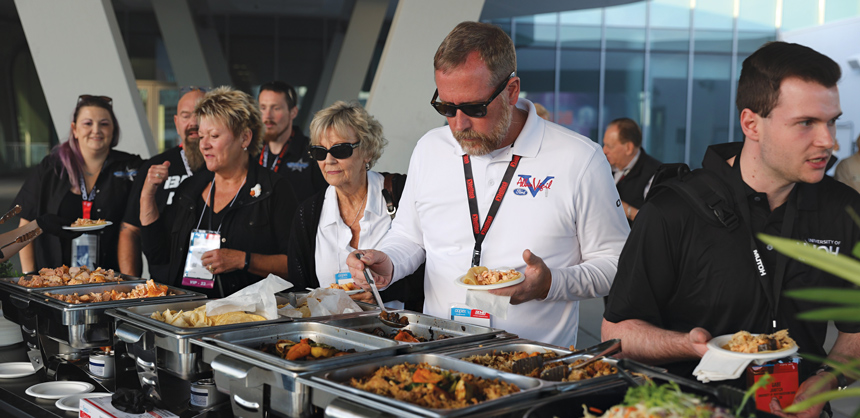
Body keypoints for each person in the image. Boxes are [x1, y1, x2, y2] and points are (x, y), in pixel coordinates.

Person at [602, 41, 860, 418]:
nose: (830, 141)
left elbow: (855, 330)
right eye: (806, 123)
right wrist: (688, 345)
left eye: (831, 120)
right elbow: (616, 332)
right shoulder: (672, 211)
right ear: (751, 123)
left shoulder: (844, 210)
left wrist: (827, 380)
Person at [346, 21, 628, 346]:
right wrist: (389, 260)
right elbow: (410, 235)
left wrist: (552, 283)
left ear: (511, 91)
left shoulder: (580, 158)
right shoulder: (430, 148)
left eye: (474, 108)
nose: (459, 124)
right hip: (437, 355)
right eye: (446, 107)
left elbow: (617, 262)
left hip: (533, 366)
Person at [140, 86, 298, 297]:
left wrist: (243, 260)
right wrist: (147, 196)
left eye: (214, 136)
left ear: (244, 138)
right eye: (201, 135)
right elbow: (159, 256)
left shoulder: (274, 189)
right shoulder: (190, 189)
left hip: (249, 320)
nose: (203, 145)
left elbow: (296, 264)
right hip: (193, 316)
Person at [287, 101, 423, 310]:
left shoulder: (401, 192)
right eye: (320, 152)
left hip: (399, 332)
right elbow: (300, 290)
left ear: (367, 151)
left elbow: (434, 267)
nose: (329, 160)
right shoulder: (308, 213)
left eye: (340, 150)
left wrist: (382, 292)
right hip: (331, 335)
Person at [13, 95, 142, 273]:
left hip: (111, 281)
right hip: (55, 281)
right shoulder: (51, 168)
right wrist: (30, 276)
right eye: (87, 123)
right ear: (74, 129)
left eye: (104, 124)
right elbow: (26, 224)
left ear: (114, 129)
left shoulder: (131, 167)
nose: (96, 130)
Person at [119, 87, 208, 278]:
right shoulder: (154, 167)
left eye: (201, 114)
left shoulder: (224, 166)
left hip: (215, 281)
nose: (193, 122)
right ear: (176, 123)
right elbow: (130, 230)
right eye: (186, 115)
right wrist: (131, 287)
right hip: (165, 282)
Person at [257, 81, 327, 202]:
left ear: (293, 112)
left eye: (276, 108)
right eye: (263, 108)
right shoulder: (248, 151)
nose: (267, 116)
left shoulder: (314, 152)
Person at [601, 118, 662, 224]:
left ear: (628, 148)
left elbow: (655, 221)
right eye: (604, 144)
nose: (604, 150)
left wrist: (622, 207)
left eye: (609, 146)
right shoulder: (604, 167)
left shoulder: (655, 174)